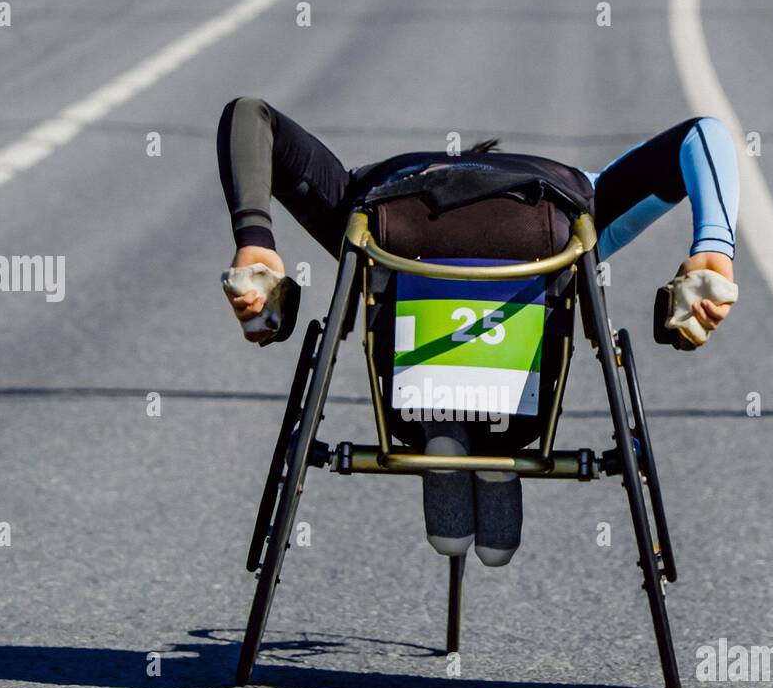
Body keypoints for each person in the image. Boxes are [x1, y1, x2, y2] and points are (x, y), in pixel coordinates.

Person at [217, 97, 740, 565]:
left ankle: (433, 433)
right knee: (562, 265)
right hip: (544, 223)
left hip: (395, 224)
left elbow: (249, 114)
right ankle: (504, 445)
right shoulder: (578, 186)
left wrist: (255, 239)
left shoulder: (371, 186)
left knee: (376, 261)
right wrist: (713, 248)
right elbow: (703, 133)